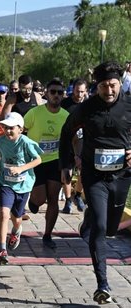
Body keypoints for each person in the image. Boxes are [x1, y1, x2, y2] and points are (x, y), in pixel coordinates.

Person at [59, 61, 131, 304]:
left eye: (112, 85)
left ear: (120, 83)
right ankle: (103, 284)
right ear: (96, 87)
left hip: (122, 176)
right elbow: (66, 133)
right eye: (103, 86)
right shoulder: (86, 109)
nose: (108, 91)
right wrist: (66, 165)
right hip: (94, 175)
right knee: (100, 228)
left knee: (110, 229)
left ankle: (90, 218)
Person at [0, 112, 42, 264]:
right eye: (5, 127)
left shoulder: (26, 142)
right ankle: (2, 249)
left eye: (12, 128)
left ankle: (16, 231)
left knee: (16, 219)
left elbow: (38, 160)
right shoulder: (0, 141)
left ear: (21, 129)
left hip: (24, 185)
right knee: (4, 214)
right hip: (6, 183)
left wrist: (21, 168)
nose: (8, 131)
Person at [24, 78, 69, 249]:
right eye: (53, 92)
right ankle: (34, 203)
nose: (56, 95)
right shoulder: (35, 113)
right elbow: (21, 130)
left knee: (53, 198)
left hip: (56, 161)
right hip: (36, 161)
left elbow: (72, 139)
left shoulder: (66, 116)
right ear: (46, 94)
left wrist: (72, 161)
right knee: (40, 198)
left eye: (60, 92)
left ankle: (48, 235)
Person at [60, 78, 88, 214]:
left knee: (83, 171)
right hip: (67, 141)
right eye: (77, 91)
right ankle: (68, 200)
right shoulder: (65, 104)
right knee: (67, 172)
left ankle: (77, 195)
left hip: (83, 142)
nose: (79, 94)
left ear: (86, 91)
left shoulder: (89, 104)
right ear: (73, 90)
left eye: (82, 91)